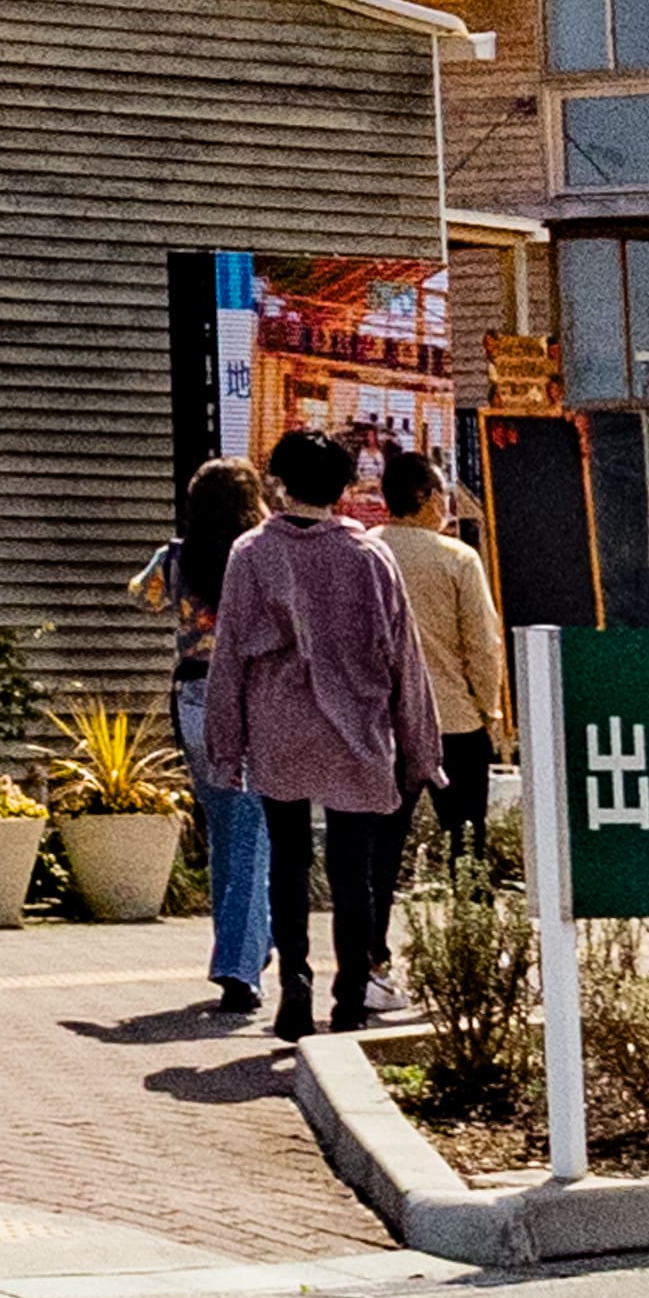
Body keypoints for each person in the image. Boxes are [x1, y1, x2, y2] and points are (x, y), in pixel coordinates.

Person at [213, 425, 447, 1039]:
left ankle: (295, 981)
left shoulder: (251, 554)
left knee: (288, 860)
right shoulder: (369, 556)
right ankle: (349, 996)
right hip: (357, 730)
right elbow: (405, 658)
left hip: (280, 727)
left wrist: (225, 747)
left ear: (281, 483)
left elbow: (230, 655)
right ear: (344, 487)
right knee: (354, 871)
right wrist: (421, 748)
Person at [136, 457, 268, 1023]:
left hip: (191, 697)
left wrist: (170, 558)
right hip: (248, 699)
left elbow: (142, 596)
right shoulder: (257, 554)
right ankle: (240, 967)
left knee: (223, 831)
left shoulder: (176, 557)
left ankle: (246, 944)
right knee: (252, 833)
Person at [374, 443, 512, 824]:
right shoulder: (458, 558)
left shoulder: (366, 551)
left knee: (379, 845)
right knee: (464, 839)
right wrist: (488, 710)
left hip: (382, 721)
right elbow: (483, 645)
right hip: (453, 718)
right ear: (429, 497)